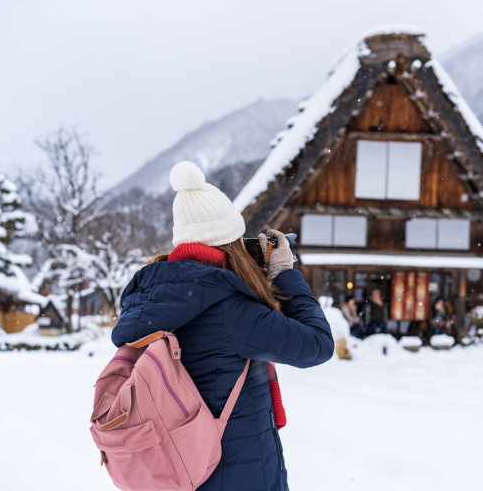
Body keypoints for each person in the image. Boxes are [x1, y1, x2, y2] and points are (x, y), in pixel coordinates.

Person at [110, 161, 334, 491]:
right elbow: (317, 345)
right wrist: (284, 273)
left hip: (183, 470)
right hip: (236, 472)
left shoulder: (152, 296)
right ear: (232, 244)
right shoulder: (231, 310)